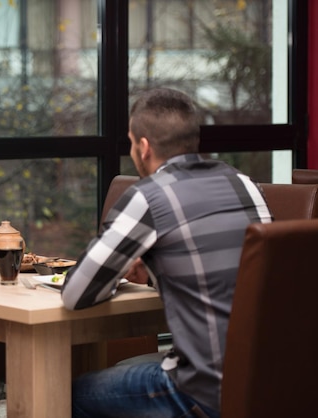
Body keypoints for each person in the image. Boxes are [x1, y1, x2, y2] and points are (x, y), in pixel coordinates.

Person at [61, 87, 273, 418]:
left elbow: (76, 294)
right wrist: (153, 272)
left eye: (131, 142)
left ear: (143, 147)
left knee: (63, 396)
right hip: (272, 379)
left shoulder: (148, 196)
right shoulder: (246, 184)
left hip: (205, 387)